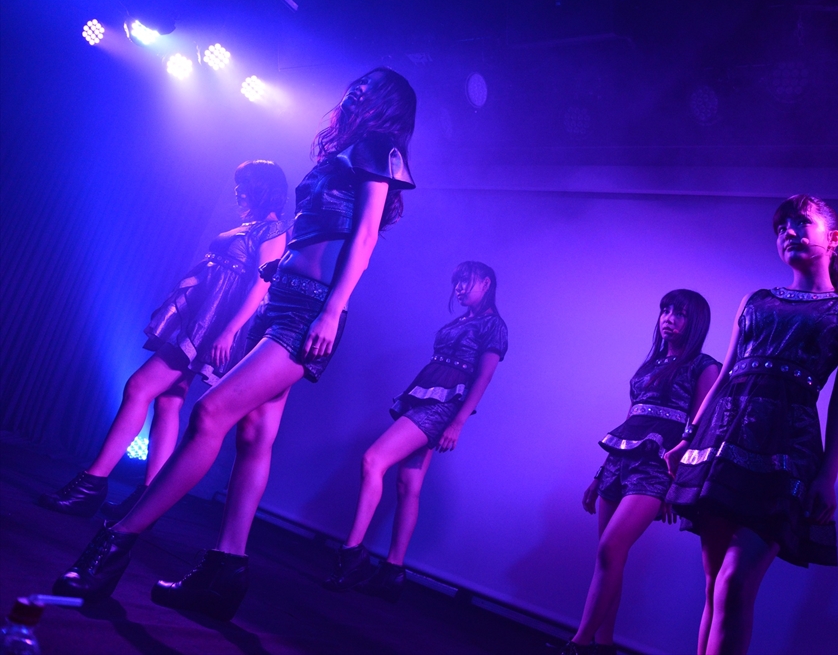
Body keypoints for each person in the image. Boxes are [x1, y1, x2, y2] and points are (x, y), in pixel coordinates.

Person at [52, 68, 418, 622]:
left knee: (209, 414)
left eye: (370, 88)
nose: (356, 90)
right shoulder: (346, 150)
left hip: (310, 310)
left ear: (388, 105)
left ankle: (114, 544)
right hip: (283, 299)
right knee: (253, 435)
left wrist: (332, 309)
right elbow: (312, 230)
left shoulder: (376, 145)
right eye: (358, 83)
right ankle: (225, 573)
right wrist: (277, 278)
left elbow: (364, 236)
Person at [664, 195, 838, 655]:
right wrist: (687, 439)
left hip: (787, 452)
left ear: (833, 238)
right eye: (781, 227)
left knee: (735, 584)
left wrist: (827, 476)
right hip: (723, 444)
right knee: (714, 586)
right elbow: (724, 377)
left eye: (801, 222)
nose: (789, 232)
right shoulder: (756, 300)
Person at [38, 160, 289, 520]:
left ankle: (91, 484)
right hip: (201, 316)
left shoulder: (273, 229)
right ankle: (145, 501)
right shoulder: (251, 226)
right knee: (169, 401)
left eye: (245, 184)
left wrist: (229, 331)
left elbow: (261, 286)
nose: (238, 190)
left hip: (212, 323)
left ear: (263, 187)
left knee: (139, 387)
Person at [324, 261, 507, 602]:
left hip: (443, 406)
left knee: (373, 460)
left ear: (485, 282)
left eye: (465, 282)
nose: (458, 288)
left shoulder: (493, 325)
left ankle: (352, 554)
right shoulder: (462, 320)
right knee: (408, 485)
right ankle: (392, 571)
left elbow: (483, 378)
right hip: (423, 396)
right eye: (456, 283)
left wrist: (458, 422)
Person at [561, 290, 720, 655]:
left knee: (610, 549)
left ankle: (578, 644)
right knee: (609, 558)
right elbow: (631, 421)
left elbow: (700, 430)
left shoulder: (704, 366)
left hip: (657, 469)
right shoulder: (650, 365)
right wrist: (600, 474)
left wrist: (677, 485)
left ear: (695, 322)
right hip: (618, 463)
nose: (669, 318)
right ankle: (603, 646)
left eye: (679, 313)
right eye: (665, 311)